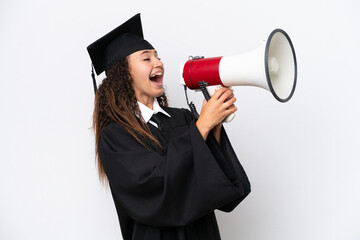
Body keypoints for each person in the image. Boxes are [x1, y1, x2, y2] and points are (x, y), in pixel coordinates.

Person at [87, 13, 251, 240]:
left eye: (158, 57)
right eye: (147, 59)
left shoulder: (183, 118)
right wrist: (201, 127)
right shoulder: (115, 136)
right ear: (123, 74)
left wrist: (215, 125)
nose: (159, 63)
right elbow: (154, 185)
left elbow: (214, 181)